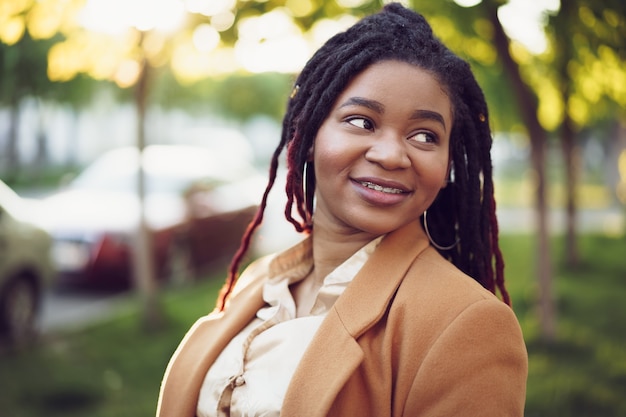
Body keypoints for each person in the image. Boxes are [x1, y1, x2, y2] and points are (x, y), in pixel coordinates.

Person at [156, 3, 528, 416]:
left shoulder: (468, 325)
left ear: (446, 169)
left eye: (424, 135)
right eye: (362, 121)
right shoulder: (264, 280)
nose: (391, 155)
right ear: (309, 134)